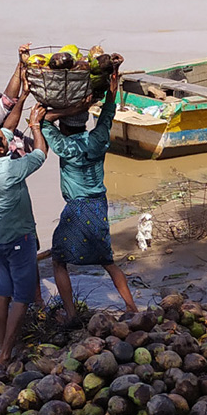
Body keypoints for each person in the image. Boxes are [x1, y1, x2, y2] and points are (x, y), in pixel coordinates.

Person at [41, 81, 138, 323]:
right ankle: (131, 306)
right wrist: (111, 88)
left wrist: (68, 109)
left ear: (63, 126)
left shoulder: (64, 145)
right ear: (84, 123)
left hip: (77, 207)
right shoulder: (98, 138)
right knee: (107, 260)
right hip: (98, 205)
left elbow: (41, 120)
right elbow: (108, 112)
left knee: (59, 259)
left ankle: (71, 314)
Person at [0, 104, 49, 364]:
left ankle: (1, 342)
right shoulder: (9, 170)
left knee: (4, 291)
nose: (4, 136)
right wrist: (36, 126)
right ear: (0, 149)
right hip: (20, 237)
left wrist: (22, 99)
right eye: (1, 140)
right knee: (23, 294)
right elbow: (41, 154)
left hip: (0, 237)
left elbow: (6, 130)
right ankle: (5, 353)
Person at [0, 44, 44, 312]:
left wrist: (24, 91)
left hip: (8, 208)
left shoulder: (0, 143)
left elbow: (11, 122)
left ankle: (27, 299)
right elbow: (8, 107)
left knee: (18, 255)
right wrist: (20, 70)